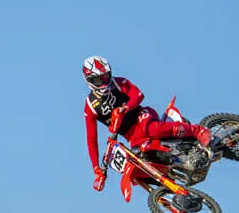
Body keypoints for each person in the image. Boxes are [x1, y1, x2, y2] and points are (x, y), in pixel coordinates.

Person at [83, 55, 211, 191]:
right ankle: (173, 188)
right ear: (89, 80)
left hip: (142, 116)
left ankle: (198, 130)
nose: (104, 82)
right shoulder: (90, 107)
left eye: (105, 76)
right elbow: (92, 140)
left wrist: (125, 109)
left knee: (150, 129)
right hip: (132, 136)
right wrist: (97, 169)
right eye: (99, 79)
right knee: (140, 160)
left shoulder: (118, 83)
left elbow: (138, 95)